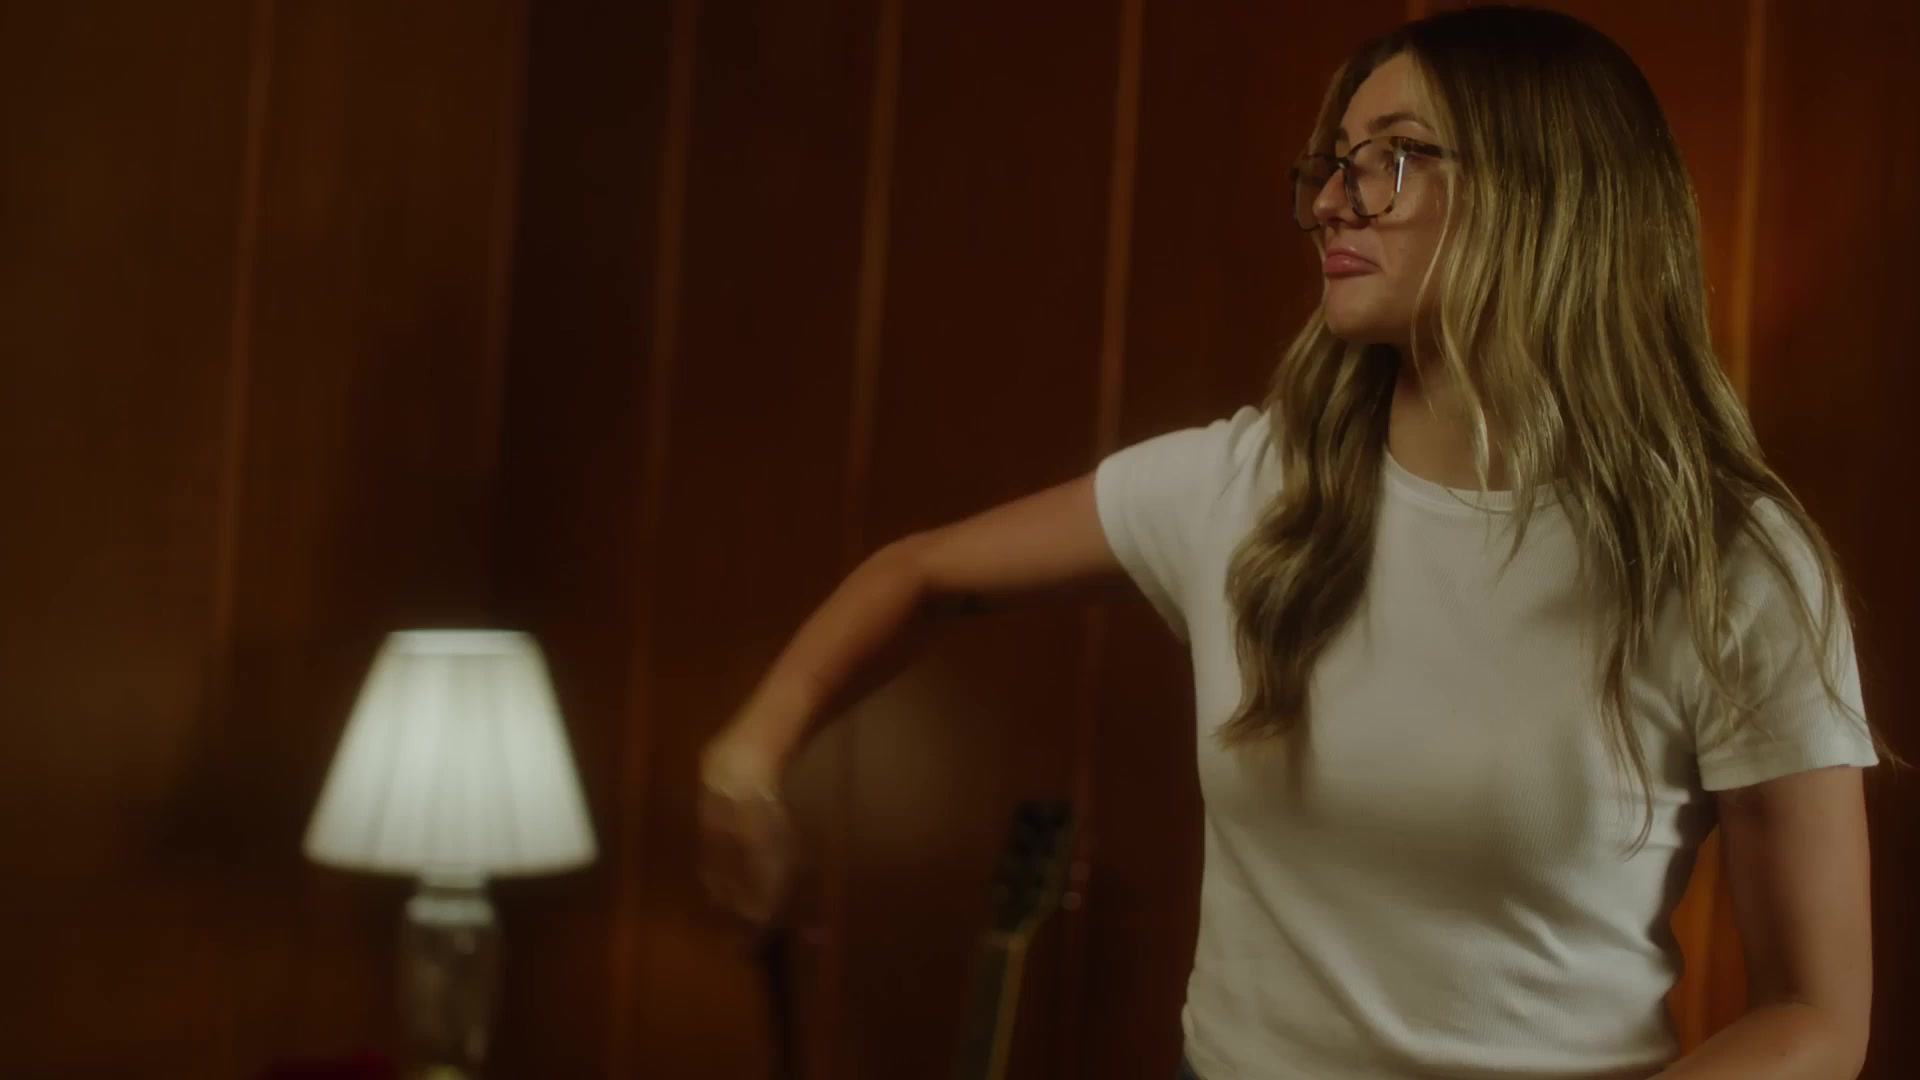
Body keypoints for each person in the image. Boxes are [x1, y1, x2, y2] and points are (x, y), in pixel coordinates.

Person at [696, 6, 1885, 1078]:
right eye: (1332, 163)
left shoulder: (1726, 561)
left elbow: (1815, 1018)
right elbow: (924, 576)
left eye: (1392, 159)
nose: (1330, 201)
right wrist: (745, 759)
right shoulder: (1245, 488)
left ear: (1546, 191)